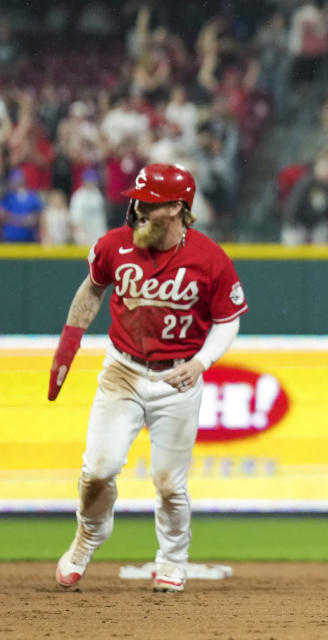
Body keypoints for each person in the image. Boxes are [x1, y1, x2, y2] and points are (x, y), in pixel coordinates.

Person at [48, 163, 248, 593]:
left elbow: (228, 320)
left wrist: (202, 362)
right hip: (122, 369)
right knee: (97, 470)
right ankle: (86, 539)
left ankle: (173, 560)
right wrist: (69, 341)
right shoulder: (116, 245)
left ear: (178, 208)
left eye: (151, 204)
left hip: (177, 377)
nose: (139, 210)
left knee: (169, 483)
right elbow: (93, 287)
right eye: (137, 201)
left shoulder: (209, 258)